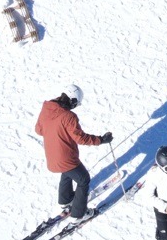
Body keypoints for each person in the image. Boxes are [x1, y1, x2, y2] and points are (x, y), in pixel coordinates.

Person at [34, 85, 113, 226]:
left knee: (67, 172)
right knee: (83, 179)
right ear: (73, 100)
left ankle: (65, 200)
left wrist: (56, 133)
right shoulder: (68, 116)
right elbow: (80, 138)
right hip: (66, 156)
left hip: (52, 156)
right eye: (76, 104)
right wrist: (101, 140)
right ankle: (79, 214)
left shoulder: (47, 108)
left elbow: (39, 130)